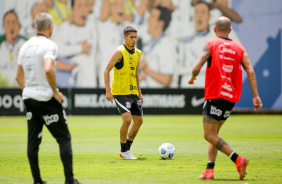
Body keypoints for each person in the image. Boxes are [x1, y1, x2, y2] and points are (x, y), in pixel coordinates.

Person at [188, 16, 262, 180]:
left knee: (209, 135)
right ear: (230, 30)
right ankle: (209, 170)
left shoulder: (211, 43)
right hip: (231, 98)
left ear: (214, 30)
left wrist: (192, 77)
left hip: (215, 94)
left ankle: (238, 159)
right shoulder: (239, 48)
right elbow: (250, 71)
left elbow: (197, 66)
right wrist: (255, 95)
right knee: (214, 134)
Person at [15, 12, 81, 184]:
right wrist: (55, 92)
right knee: (64, 138)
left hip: (29, 99)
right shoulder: (49, 45)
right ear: (50, 27)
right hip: (46, 98)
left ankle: (37, 181)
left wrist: (29, 91)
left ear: (35, 26)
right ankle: (69, 180)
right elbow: (48, 69)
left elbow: (18, 77)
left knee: (32, 142)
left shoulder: (25, 46)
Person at [104, 26, 143, 160]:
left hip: (133, 92)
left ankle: (127, 148)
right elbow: (106, 70)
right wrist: (108, 91)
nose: (134, 40)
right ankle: (124, 150)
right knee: (127, 119)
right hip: (120, 92)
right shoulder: (119, 52)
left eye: (135, 37)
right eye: (131, 37)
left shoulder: (138, 53)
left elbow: (136, 74)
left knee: (139, 121)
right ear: (124, 37)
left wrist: (140, 93)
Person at [139, 5, 178, 88]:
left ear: (161, 23)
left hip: (161, 98)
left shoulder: (166, 45)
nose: (148, 19)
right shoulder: (150, 44)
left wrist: (146, 69)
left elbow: (166, 79)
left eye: (152, 17)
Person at [0, 10, 27, 87]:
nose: (11, 26)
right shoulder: (1, 45)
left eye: (14, 22)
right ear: (3, 26)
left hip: (20, 91)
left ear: (19, 26)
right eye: (8, 22)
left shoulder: (27, 46)